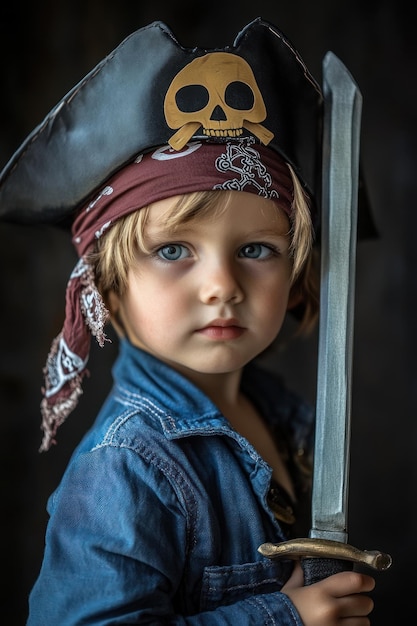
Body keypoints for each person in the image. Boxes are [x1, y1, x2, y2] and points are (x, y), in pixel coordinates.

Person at [0, 17, 376, 625]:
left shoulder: (274, 411)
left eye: (256, 250)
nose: (222, 286)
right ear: (109, 286)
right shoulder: (125, 467)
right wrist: (285, 617)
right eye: (174, 250)